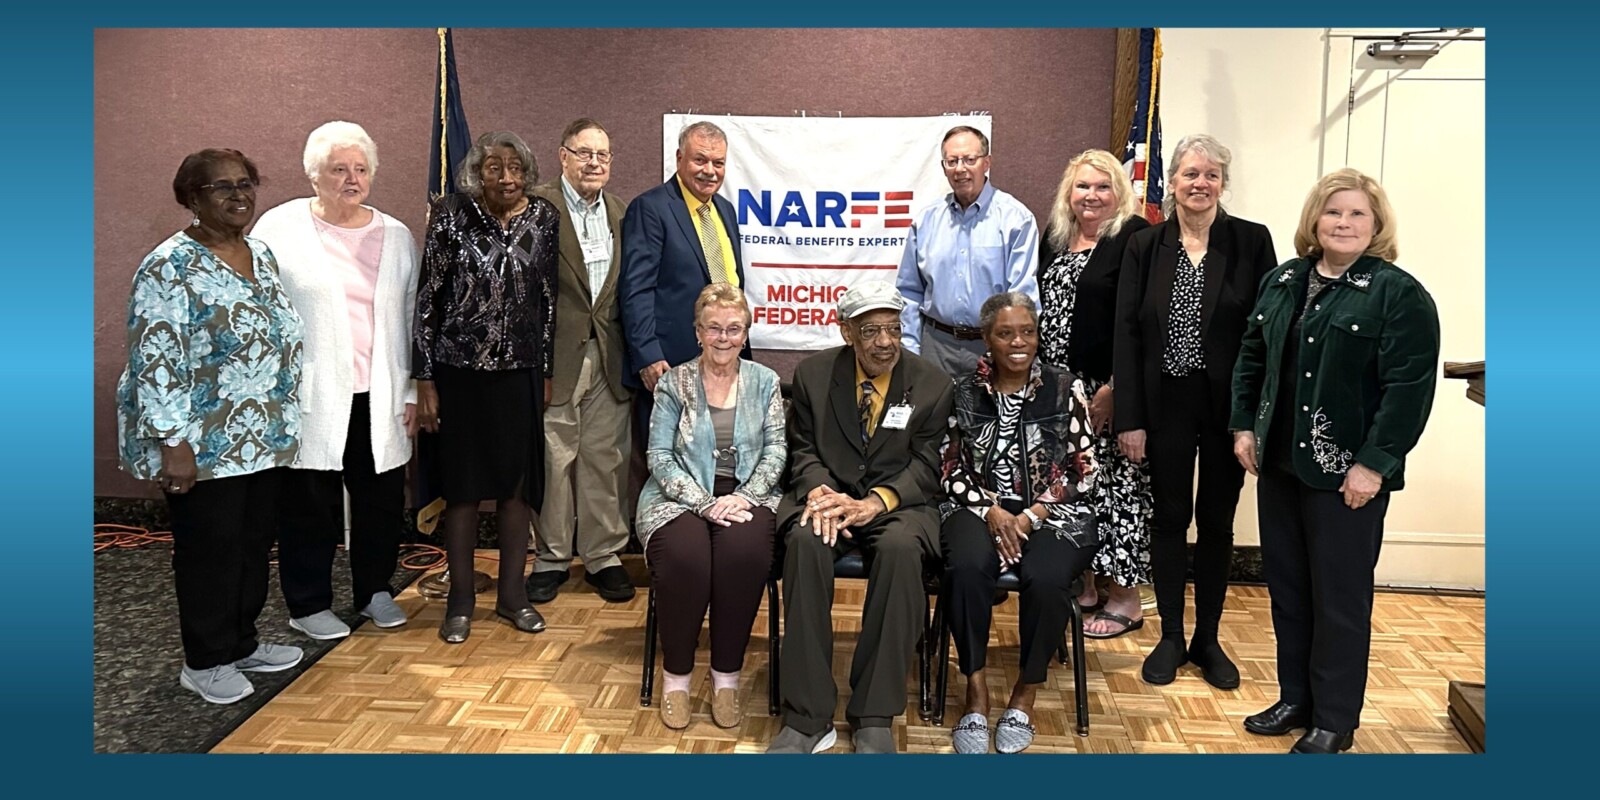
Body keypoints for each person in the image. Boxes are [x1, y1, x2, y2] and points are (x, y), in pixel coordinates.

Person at [1230, 168, 1439, 754]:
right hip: (1280, 465)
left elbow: (1409, 389)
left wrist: (1373, 464)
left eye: (1357, 215)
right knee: (1289, 589)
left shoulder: (1398, 293)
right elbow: (1252, 357)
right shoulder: (1284, 280)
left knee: (1341, 599)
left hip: (1347, 474)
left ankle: (1336, 719)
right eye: (1333, 212)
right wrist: (1244, 425)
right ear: (1314, 221)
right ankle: (1296, 698)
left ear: (1376, 226)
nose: (1343, 223)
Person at [116, 148, 305, 704]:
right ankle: (203, 660)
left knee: (251, 545)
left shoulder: (260, 253)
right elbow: (157, 357)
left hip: (262, 436)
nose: (238, 195)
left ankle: (240, 642)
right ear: (191, 199)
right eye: (221, 187)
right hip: (200, 442)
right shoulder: (168, 266)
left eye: (245, 183)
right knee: (209, 551)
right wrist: (173, 443)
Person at [1113, 134, 1278, 689]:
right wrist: (1130, 417)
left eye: (1210, 174)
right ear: (1171, 183)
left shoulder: (1252, 243)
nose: (1199, 183)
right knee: (1168, 517)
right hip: (1165, 405)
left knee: (1216, 521)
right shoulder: (1145, 244)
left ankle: (1207, 637)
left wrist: (1251, 420)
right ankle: (1169, 636)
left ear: (1222, 183)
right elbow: (1129, 335)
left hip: (1228, 408)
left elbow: (1265, 338)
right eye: (1189, 173)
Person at [766, 282, 955, 755]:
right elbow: (803, 450)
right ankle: (807, 717)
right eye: (871, 331)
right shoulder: (812, 376)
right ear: (846, 331)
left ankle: (873, 715)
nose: (886, 342)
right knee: (806, 542)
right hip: (827, 497)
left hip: (897, 505)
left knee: (899, 551)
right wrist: (822, 494)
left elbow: (928, 465)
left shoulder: (932, 384)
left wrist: (877, 502)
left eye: (893, 329)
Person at [252, 121, 420, 640]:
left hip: (381, 392)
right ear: (314, 174)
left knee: (380, 502)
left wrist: (413, 389)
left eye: (361, 169)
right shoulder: (277, 230)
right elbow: (260, 314)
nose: (352, 179)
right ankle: (308, 603)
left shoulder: (396, 235)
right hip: (313, 396)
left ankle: (374, 591)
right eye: (339, 169)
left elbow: (413, 317)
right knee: (310, 506)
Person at [940, 292, 1100, 754]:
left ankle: (1025, 693)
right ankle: (975, 689)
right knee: (967, 569)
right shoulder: (964, 387)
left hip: (1053, 511)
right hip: (979, 506)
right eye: (1005, 333)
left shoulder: (1063, 386)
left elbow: (1083, 467)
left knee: (1046, 577)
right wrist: (991, 510)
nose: (1018, 342)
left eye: (1027, 332)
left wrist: (1030, 515)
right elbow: (949, 466)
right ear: (987, 339)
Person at [413, 131, 558, 644]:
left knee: (518, 490)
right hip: (459, 374)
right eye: (495, 168)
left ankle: (512, 597)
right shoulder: (451, 214)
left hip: (518, 374)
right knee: (464, 492)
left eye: (515, 167)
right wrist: (425, 377)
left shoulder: (543, 218)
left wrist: (543, 370)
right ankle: (460, 602)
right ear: (478, 173)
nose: (507, 177)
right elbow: (428, 298)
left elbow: (545, 301)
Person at [636, 284, 786, 730]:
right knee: (686, 559)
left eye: (734, 329)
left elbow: (777, 450)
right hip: (677, 495)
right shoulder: (673, 382)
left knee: (744, 556)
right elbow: (659, 457)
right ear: (697, 331)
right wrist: (704, 503)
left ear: (746, 332)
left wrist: (744, 496)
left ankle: (726, 679)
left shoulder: (765, 382)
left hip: (747, 494)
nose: (724, 337)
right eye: (714, 328)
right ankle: (677, 679)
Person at [1035, 148, 1154, 639]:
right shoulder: (1057, 239)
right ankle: (1083, 583)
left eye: (1103, 186)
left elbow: (1145, 324)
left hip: (1105, 392)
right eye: (1083, 186)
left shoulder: (1133, 238)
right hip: (1058, 392)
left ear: (1119, 193)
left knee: (1118, 488)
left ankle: (1125, 598)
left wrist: (1115, 390)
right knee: (1071, 486)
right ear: (1069, 191)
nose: (1092, 195)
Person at [526, 119, 634, 605]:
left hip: (609, 354)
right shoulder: (536, 206)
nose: (594, 163)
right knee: (553, 461)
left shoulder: (621, 212)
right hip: (553, 359)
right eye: (584, 153)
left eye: (603, 155)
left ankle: (603, 556)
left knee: (604, 459)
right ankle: (550, 558)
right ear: (563, 156)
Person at [896, 125, 1039, 377]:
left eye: (970, 159)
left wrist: (1011, 351)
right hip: (935, 345)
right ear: (944, 168)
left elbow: (1022, 297)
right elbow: (909, 291)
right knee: (932, 417)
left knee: (990, 416)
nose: (960, 168)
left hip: (993, 345)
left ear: (986, 163)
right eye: (952, 161)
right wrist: (910, 347)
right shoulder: (926, 220)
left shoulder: (1016, 219)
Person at [620, 120, 747, 398]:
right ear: (679, 158)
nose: (709, 171)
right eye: (700, 160)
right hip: (668, 365)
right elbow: (636, 289)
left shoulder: (725, 210)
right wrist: (648, 354)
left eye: (718, 163)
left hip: (725, 362)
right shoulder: (651, 208)